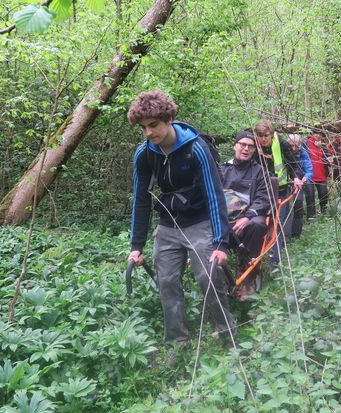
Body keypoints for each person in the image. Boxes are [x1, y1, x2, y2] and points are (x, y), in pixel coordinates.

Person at [127, 90, 235, 348]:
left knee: (208, 277)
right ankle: (177, 341)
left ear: (169, 120)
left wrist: (221, 243)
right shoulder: (144, 154)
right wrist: (136, 246)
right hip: (168, 224)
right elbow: (141, 200)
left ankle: (227, 332)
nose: (148, 133)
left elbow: (214, 194)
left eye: (153, 125)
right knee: (166, 282)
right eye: (143, 128)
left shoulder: (195, 148)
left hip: (199, 222)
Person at [220, 131, 271, 297]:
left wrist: (247, 217)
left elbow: (263, 199)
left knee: (257, 224)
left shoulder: (260, 171)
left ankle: (248, 275)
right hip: (224, 216)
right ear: (235, 146)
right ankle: (215, 276)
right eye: (243, 144)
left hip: (249, 215)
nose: (246, 149)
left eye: (250, 146)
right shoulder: (222, 170)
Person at [252, 119, 304, 264]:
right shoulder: (253, 146)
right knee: (262, 225)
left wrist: (296, 177)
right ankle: (256, 259)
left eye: (266, 136)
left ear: (271, 134)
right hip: (261, 193)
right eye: (260, 136)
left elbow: (292, 164)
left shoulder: (282, 144)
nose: (263, 139)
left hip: (280, 192)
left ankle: (275, 262)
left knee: (277, 225)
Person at [287, 134, 313, 239]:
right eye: (291, 146)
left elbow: (308, 167)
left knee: (298, 205)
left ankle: (296, 234)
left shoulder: (303, 152)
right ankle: (285, 234)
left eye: (296, 146)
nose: (293, 149)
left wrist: (306, 177)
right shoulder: (284, 150)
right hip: (284, 181)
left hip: (299, 182)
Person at [306, 132, 330, 216]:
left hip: (321, 175)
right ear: (312, 134)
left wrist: (330, 160)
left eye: (320, 134)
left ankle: (324, 212)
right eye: (316, 134)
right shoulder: (306, 143)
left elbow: (328, 157)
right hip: (309, 175)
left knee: (323, 194)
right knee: (310, 196)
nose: (318, 136)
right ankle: (311, 216)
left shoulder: (322, 145)